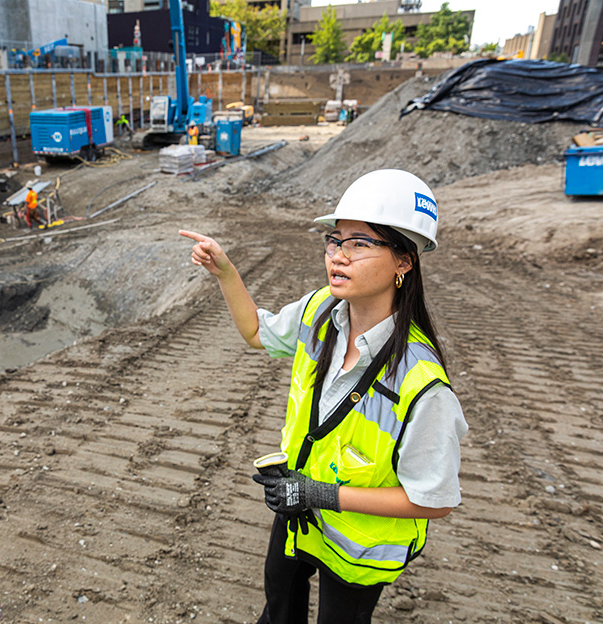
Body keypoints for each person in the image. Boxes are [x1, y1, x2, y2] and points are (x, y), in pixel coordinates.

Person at [180, 169, 467, 624]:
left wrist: (320, 493)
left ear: (404, 261)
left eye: (360, 243)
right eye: (335, 240)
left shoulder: (422, 383)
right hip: (298, 513)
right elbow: (257, 332)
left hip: (357, 543)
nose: (338, 255)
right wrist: (226, 272)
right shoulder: (320, 312)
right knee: (278, 607)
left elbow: (434, 500)